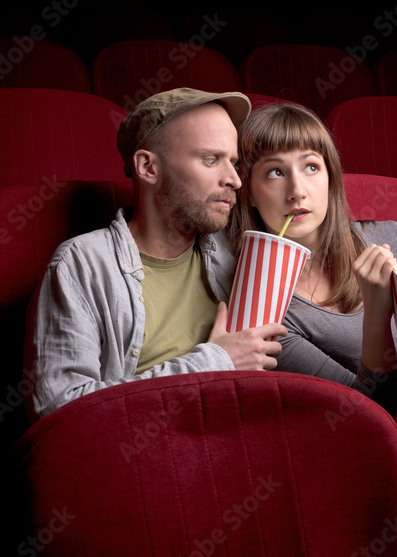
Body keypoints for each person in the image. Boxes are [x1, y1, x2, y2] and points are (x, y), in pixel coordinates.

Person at [25, 88, 286, 422]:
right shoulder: (82, 264)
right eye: (211, 159)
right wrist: (214, 363)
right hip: (141, 460)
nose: (234, 179)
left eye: (233, 162)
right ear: (148, 167)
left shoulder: (238, 253)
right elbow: (58, 412)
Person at [226, 103, 397, 415]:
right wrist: (377, 317)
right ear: (247, 192)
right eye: (275, 172)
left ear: (330, 178)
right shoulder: (265, 316)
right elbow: (365, 414)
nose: (297, 191)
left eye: (311, 167)